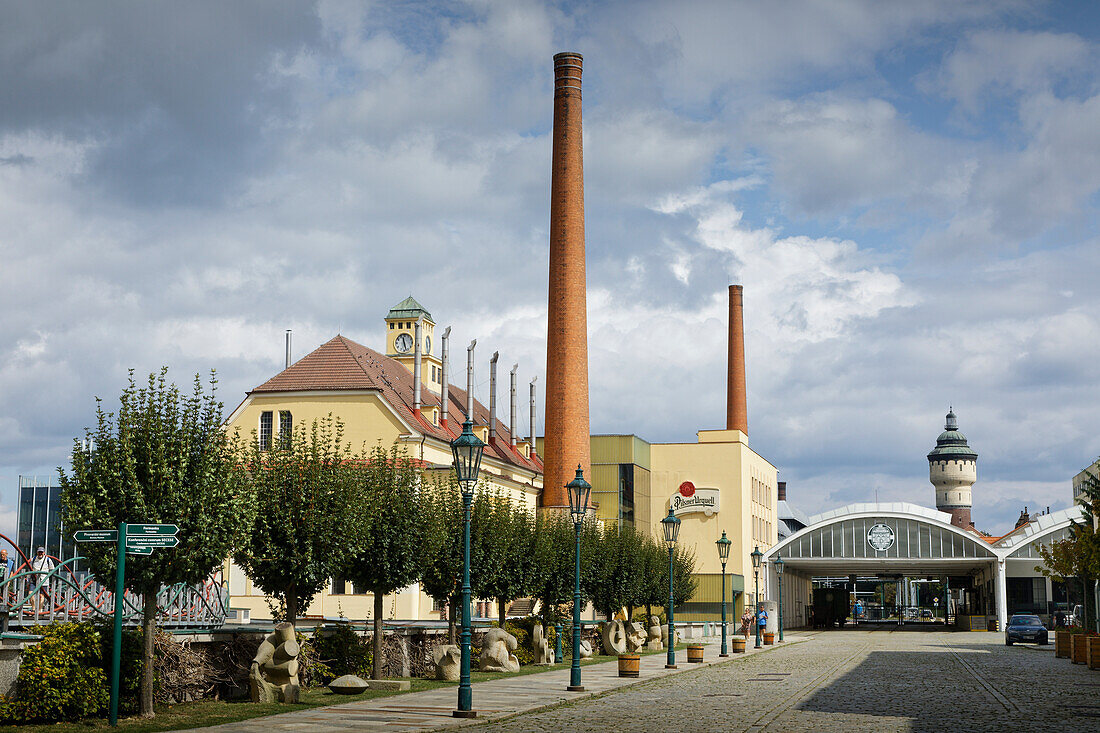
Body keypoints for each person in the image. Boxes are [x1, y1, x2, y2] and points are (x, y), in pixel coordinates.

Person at [30, 547, 54, 615]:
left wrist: (49, 578)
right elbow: (30, 569)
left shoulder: (48, 560)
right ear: (37, 552)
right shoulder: (33, 559)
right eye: (39, 552)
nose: (40, 553)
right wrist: (28, 580)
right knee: (30, 594)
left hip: (44, 579)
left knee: (41, 595)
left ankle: (40, 610)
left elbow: (52, 569)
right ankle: (33, 608)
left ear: (44, 553)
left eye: (41, 552)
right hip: (34, 579)